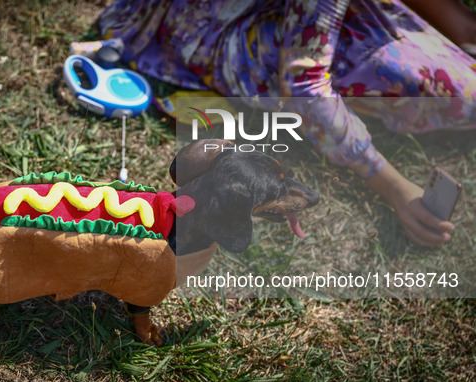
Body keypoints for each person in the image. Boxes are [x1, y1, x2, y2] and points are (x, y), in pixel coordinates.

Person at [98, 0, 476, 247]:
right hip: (207, 25)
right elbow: (303, 87)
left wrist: (463, 31)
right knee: (442, 90)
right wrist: (393, 186)